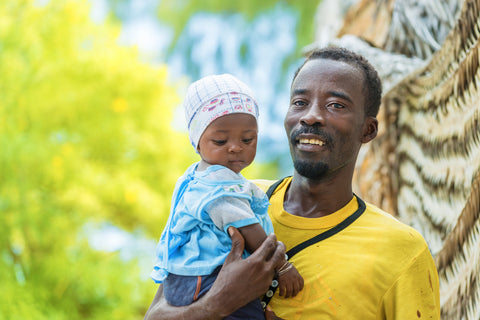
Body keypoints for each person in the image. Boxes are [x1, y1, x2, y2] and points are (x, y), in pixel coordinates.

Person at [145, 47, 441, 319]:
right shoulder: (231, 198)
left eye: (336, 105)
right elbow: (155, 315)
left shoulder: (401, 251)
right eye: (300, 102)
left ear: (368, 129)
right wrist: (217, 303)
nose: (311, 116)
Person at [150, 74, 303, 319]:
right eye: (221, 140)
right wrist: (282, 266)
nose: (235, 147)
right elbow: (249, 229)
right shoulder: (218, 184)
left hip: (187, 280)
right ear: (197, 143)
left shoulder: (195, 177)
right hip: (206, 280)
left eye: (247, 139)